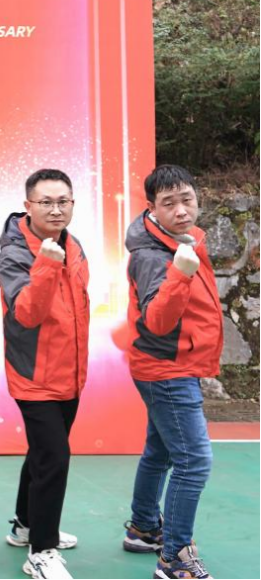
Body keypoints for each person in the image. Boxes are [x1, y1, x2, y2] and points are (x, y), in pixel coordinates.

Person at [122, 164, 221, 580]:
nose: (181, 210)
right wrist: (180, 273)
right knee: (193, 461)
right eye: (169, 203)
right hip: (166, 369)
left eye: (187, 200)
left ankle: (144, 528)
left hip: (174, 363)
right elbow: (158, 321)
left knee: (161, 449)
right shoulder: (151, 256)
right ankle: (174, 558)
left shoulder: (185, 237)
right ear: (152, 208)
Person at [0, 169, 89, 580]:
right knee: (54, 458)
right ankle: (41, 551)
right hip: (33, 374)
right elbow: (27, 313)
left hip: (70, 371)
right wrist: (48, 265)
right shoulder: (14, 254)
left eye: (63, 201)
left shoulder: (74, 244)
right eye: (46, 202)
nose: (56, 210)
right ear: (28, 205)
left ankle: (25, 524)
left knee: (42, 452)